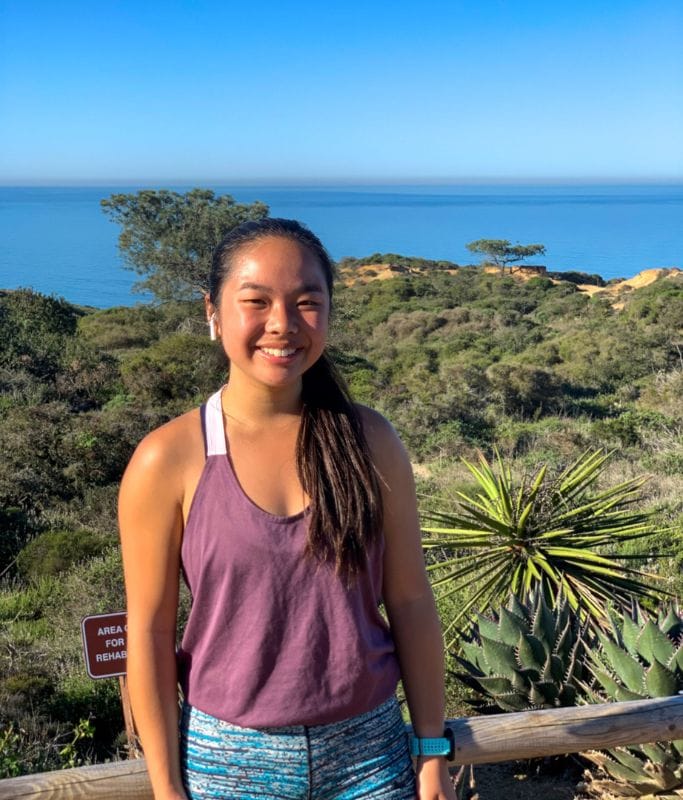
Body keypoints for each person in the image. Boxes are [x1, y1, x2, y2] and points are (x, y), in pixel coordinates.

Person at [119, 218, 457, 800]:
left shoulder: (369, 441)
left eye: (307, 302)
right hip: (228, 765)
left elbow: (409, 600)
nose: (282, 324)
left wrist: (430, 756)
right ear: (213, 312)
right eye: (256, 301)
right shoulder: (167, 458)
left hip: (371, 755)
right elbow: (148, 633)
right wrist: (166, 788)